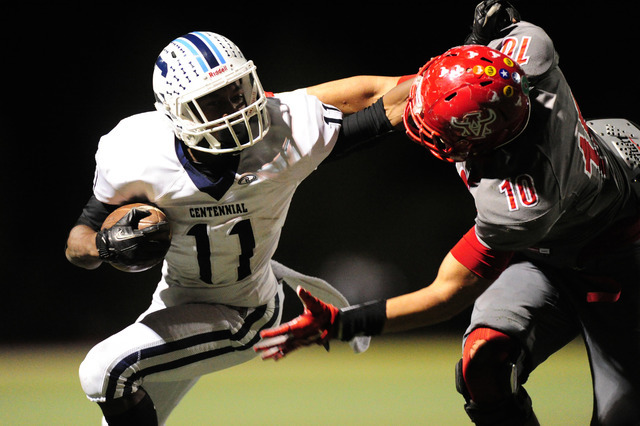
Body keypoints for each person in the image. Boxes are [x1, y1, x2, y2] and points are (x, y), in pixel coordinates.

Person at [254, 2, 640, 425]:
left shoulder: (522, 203)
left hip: (617, 257)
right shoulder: (516, 64)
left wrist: (344, 323)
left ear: (482, 143)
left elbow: (445, 294)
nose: (417, 121)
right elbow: (381, 92)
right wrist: (271, 107)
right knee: (483, 363)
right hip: (554, 238)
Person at [65, 30, 413, 425]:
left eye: (236, 92)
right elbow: (78, 243)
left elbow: (379, 105)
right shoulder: (137, 151)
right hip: (175, 303)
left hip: (246, 311)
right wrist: (106, 245)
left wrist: (455, 76)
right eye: (211, 102)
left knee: (103, 371)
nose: (233, 109)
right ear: (174, 112)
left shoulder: (283, 134)